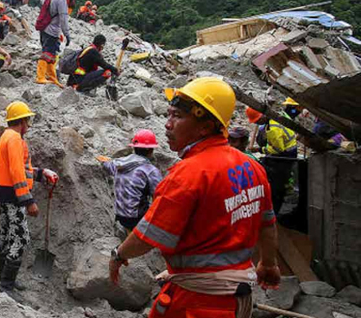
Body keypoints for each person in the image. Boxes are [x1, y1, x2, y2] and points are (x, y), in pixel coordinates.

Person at [110, 77, 280, 318]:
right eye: (168, 115)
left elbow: (147, 236)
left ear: (205, 127)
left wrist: (118, 255)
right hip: (238, 300)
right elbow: (267, 224)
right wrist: (269, 263)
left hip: (199, 303)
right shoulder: (252, 167)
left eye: (178, 116)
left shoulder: (188, 174)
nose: (167, 125)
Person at [0, 101, 59, 293]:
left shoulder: (7, 136)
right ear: (21, 121)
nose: (29, 125)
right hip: (14, 196)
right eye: (28, 121)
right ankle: (6, 284)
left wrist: (41, 173)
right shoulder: (14, 139)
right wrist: (28, 201)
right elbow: (16, 171)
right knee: (20, 238)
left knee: (4, 235)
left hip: (3, 193)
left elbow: (20, 169)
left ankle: (2, 279)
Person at [96, 129, 162, 239]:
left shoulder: (119, 163)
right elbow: (160, 195)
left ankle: (126, 234)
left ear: (134, 148)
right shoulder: (150, 171)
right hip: (136, 219)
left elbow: (108, 165)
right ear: (151, 150)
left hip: (120, 216)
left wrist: (104, 161)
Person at [246, 107, 297, 214]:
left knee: (277, 181)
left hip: (285, 155)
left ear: (263, 116)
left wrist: (259, 149)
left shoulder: (273, 129)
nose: (258, 123)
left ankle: (276, 207)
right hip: (291, 147)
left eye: (258, 121)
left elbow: (278, 149)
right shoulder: (277, 114)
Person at [36, 0, 71, 88]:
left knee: (52, 54)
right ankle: (40, 76)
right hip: (52, 30)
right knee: (47, 53)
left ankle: (52, 77)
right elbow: (63, 17)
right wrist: (67, 34)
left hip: (44, 29)